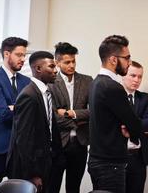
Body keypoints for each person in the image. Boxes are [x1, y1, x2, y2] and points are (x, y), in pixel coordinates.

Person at [88, 35, 141, 193]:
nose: (129, 62)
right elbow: (134, 123)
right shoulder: (113, 87)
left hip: (98, 159)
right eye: (127, 58)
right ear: (113, 59)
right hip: (110, 164)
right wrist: (131, 131)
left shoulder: (95, 82)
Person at [6, 51, 62, 193]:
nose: (56, 70)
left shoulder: (45, 93)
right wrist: (33, 174)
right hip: (30, 169)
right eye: (51, 66)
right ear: (38, 69)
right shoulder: (29, 96)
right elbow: (25, 139)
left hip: (45, 162)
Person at [48, 42, 93, 193]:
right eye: (67, 62)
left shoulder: (87, 81)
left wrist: (70, 113)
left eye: (74, 61)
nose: (72, 65)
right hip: (58, 144)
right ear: (57, 62)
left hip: (80, 144)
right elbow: (52, 117)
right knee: (52, 186)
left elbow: (94, 111)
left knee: (74, 188)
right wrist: (79, 120)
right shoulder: (50, 83)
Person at [0, 37, 30, 193]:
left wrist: (12, 108)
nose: (23, 59)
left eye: (24, 55)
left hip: (20, 149)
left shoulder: (27, 81)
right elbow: (3, 114)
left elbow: (31, 113)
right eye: (19, 55)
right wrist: (17, 110)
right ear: (7, 54)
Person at [121, 61, 148, 193]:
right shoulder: (115, 96)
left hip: (139, 158)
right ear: (124, 75)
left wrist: (128, 126)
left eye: (140, 77)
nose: (137, 80)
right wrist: (141, 128)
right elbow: (115, 124)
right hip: (119, 157)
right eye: (133, 75)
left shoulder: (144, 98)